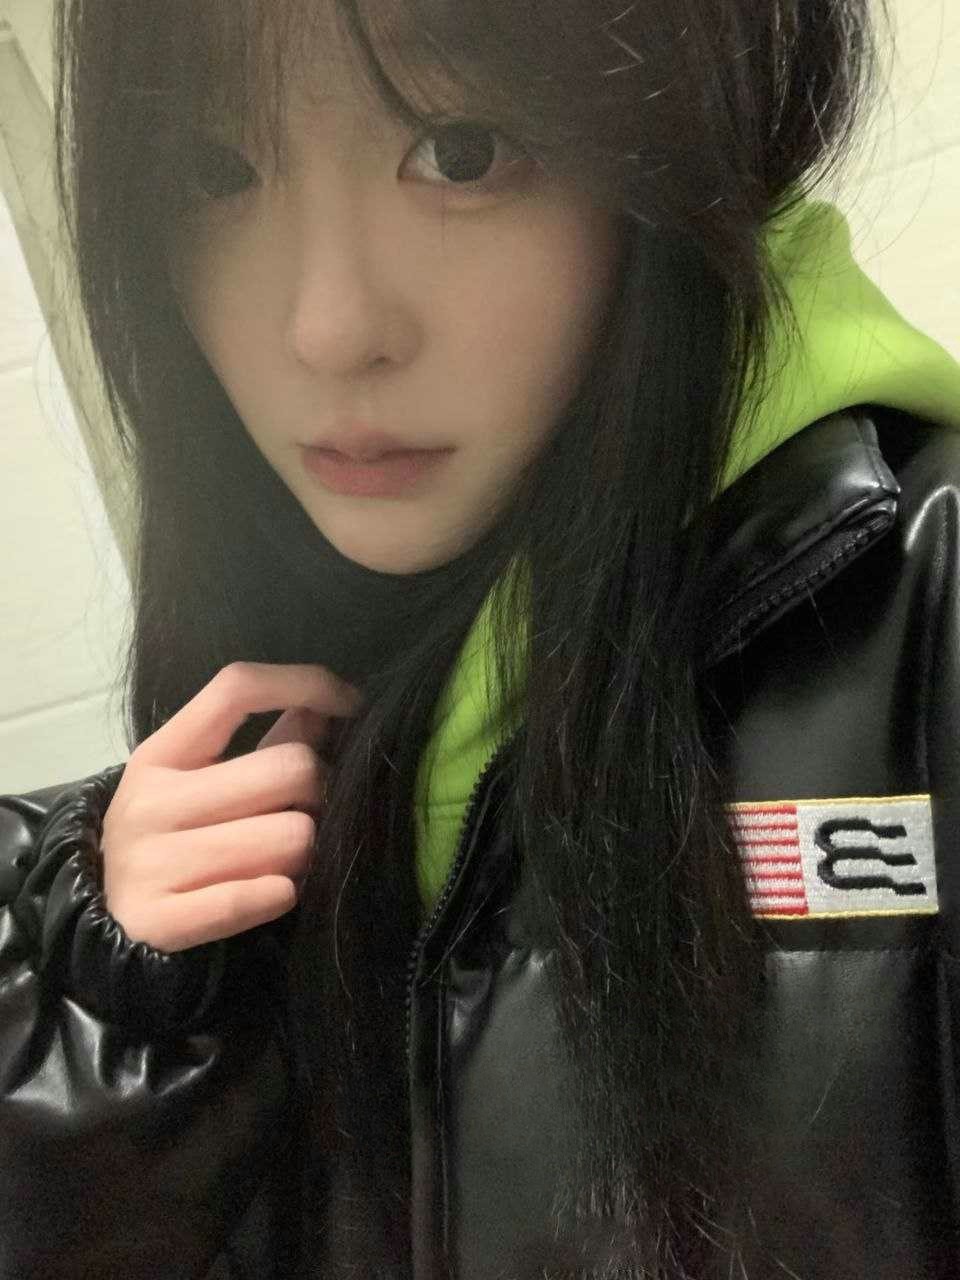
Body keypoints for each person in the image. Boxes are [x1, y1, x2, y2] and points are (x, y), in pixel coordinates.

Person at [1, 0, 959, 1276]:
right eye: (213, 170)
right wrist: (118, 1031)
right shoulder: (176, 801)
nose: (327, 328)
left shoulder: (925, 620)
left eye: (460, 152)